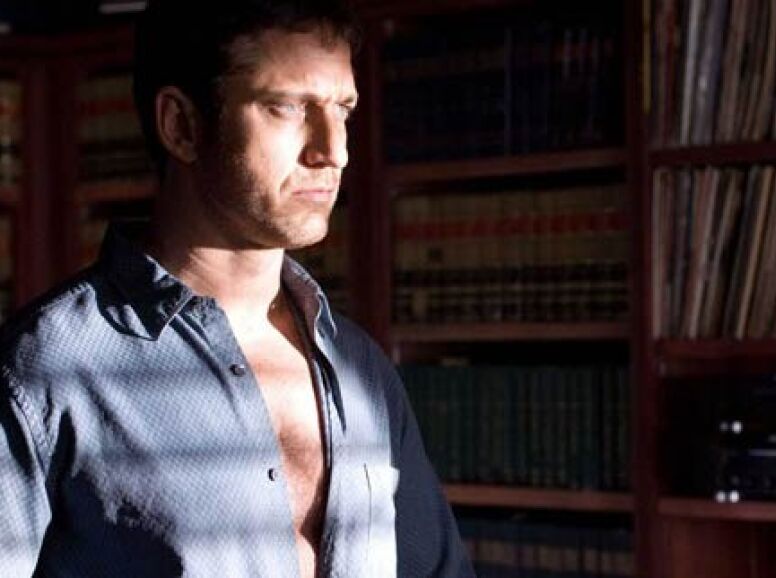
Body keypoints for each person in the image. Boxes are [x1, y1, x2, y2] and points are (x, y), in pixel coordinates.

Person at [0, 0, 473, 576]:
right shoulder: (42, 372)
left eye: (342, 110)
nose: (334, 151)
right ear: (181, 125)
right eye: (286, 107)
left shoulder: (361, 370)